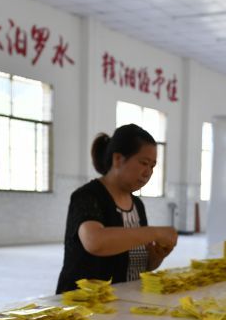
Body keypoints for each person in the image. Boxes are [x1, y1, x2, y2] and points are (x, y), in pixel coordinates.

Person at [56, 124, 178, 294]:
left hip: (125, 302)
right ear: (118, 160)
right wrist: (154, 232)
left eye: (152, 166)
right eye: (143, 163)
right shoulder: (87, 196)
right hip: (85, 305)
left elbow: (142, 265)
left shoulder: (137, 205)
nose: (148, 172)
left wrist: (157, 256)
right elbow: (95, 242)